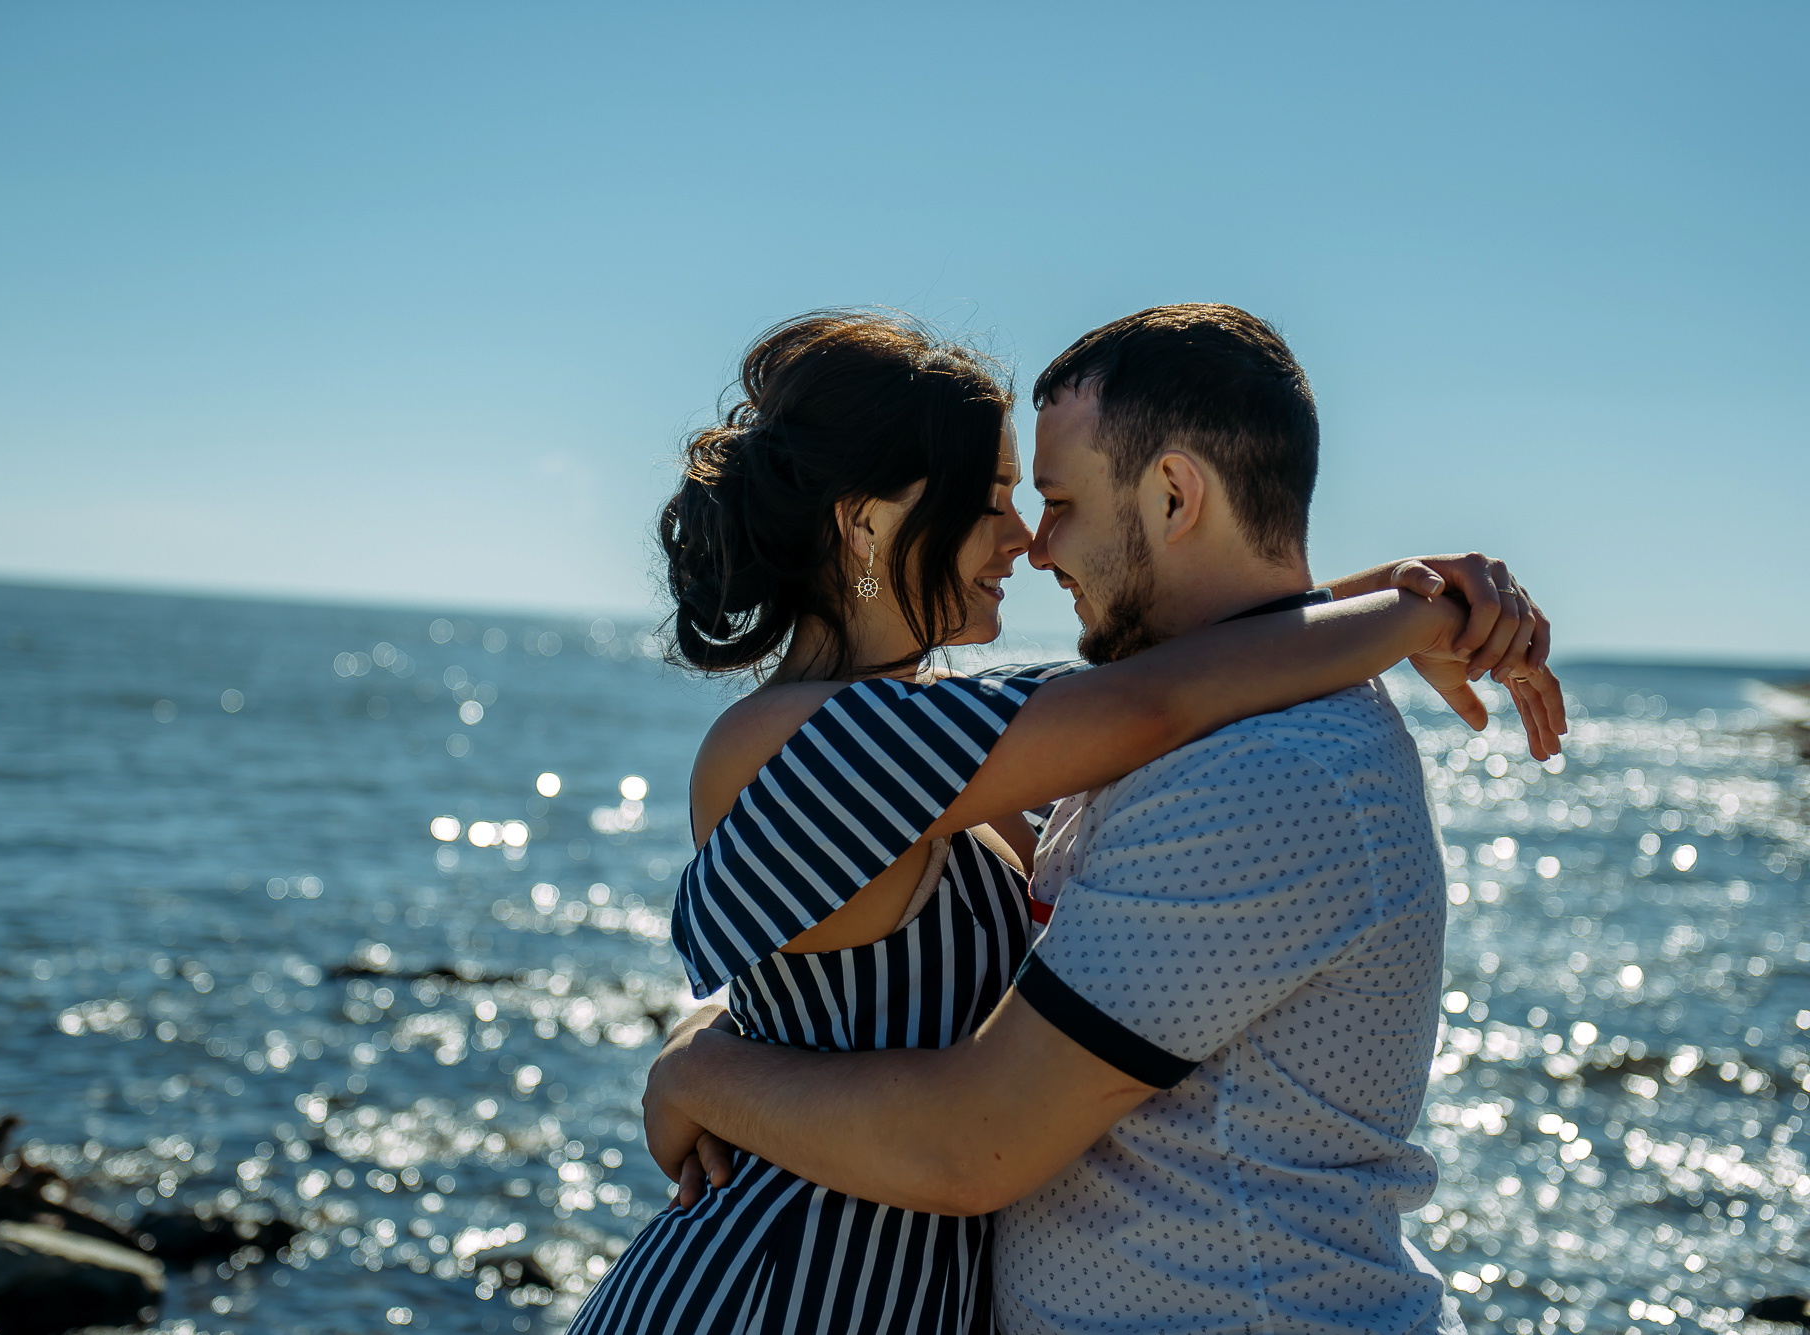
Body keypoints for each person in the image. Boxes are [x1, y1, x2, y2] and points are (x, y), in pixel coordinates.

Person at [576, 308, 1559, 1335]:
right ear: (865, 525)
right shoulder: (800, 735)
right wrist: (1416, 614)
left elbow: (1188, 674)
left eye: (1037, 499)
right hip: (777, 1290)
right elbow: (1155, 700)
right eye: (991, 500)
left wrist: (1393, 602)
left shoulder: (965, 734)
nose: (1024, 541)